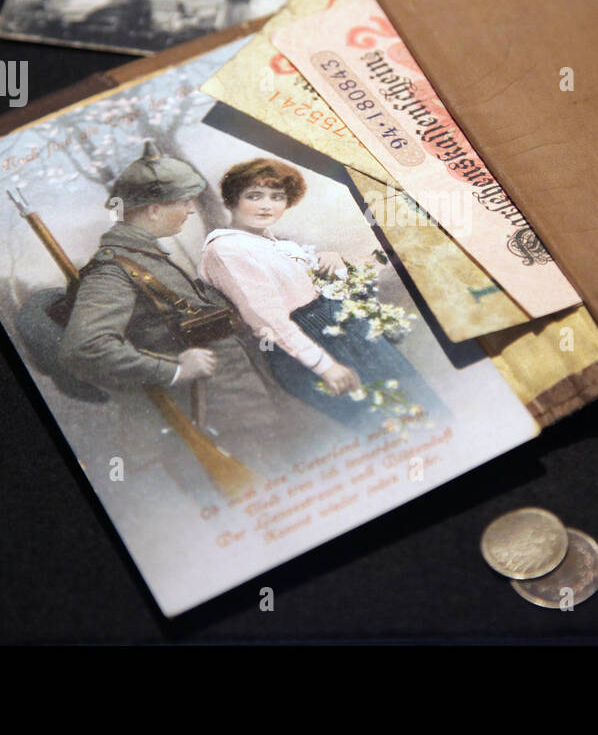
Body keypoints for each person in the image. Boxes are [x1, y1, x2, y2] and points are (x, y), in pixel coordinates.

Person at [57, 141, 330, 493]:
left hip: (246, 406)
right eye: (183, 201)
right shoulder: (113, 270)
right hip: (215, 418)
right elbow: (84, 349)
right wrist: (172, 368)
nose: (189, 210)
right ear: (154, 209)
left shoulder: (147, 256)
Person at [199, 157, 447, 432]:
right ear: (233, 199)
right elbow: (267, 319)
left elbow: (306, 287)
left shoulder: (270, 242)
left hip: (338, 330)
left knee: (420, 404)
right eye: (254, 196)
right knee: (384, 424)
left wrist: (332, 262)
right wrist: (324, 366)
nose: (267, 205)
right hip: (307, 343)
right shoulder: (226, 250)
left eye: (277, 197)